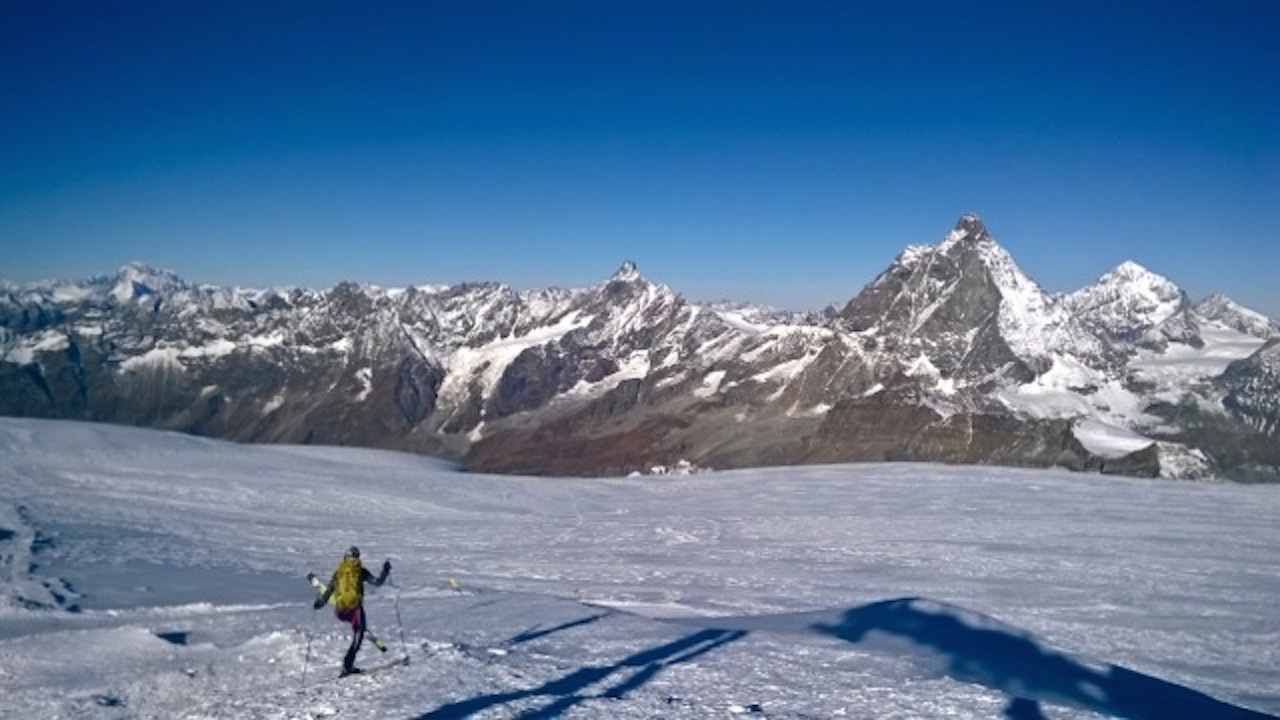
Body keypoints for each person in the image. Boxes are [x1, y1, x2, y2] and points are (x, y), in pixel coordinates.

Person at [310, 545, 392, 676]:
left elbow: (329, 592)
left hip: (340, 611)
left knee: (359, 631)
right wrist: (385, 571)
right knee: (358, 636)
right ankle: (347, 665)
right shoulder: (360, 571)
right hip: (355, 610)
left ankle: (348, 665)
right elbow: (377, 582)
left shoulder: (339, 573)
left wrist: (319, 604)